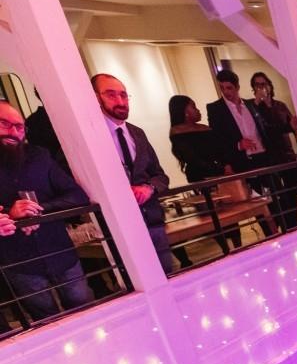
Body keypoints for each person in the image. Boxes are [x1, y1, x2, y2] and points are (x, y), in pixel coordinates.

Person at [0, 102, 93, 320]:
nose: (14, 132)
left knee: (85, 309)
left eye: (19, 127)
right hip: (19, 262)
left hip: (60, 251)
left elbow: (76, 195)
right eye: (4, 124)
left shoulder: (39, 156)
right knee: (45, 320)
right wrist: (11, 213)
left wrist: (38, 209)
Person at [91, 74, 174, 270]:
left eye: (124, 95)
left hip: (153, 222)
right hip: (119, 228)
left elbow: (160, 175)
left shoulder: (137, 133)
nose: (120, 101)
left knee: (168, 274)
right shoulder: (90, 136)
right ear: (95, 97)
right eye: (111, 95)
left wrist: (149, 188)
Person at [251, 71, 297, 229]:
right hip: (268, 159)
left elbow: (293, 126)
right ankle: (280, 226)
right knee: (275, 196)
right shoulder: (253, 109)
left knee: (291, 193)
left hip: (286, 155)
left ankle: (294, 224)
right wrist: (259, 104)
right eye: (257, 85)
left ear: (269, 85)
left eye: (263, 84)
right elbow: (263, 131)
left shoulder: (280, 106)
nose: (261, 88)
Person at [168, 95, 233, 183]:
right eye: (194, 107)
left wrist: (226, 165)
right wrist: (219, 169)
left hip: (220, 170)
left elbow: (220, 149)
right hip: (199, 174)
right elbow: (191, 158)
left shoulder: (205, 128)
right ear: (184, 112)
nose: (198, 110)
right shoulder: (177, 132)